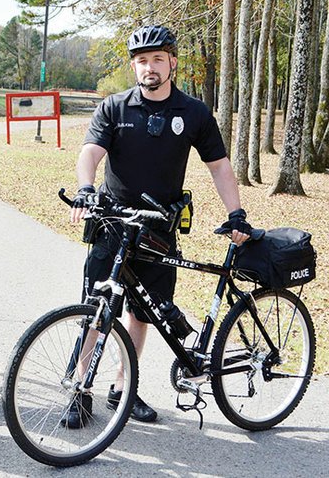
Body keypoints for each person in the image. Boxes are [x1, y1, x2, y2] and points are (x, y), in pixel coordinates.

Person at [66, 25, 253, 427]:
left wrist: (236, 212)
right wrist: (85, 188)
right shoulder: (114, 108)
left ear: (171, 62)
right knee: (96, 310)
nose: (148, 68)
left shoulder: (194, 112)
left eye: (156, 59)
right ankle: (79, 389)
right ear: (134, 66)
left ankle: (123, 387)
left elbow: (218, 166)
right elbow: (90, 153)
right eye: (141, 61)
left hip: (159, 228)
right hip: (114, 223)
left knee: (142, 314)